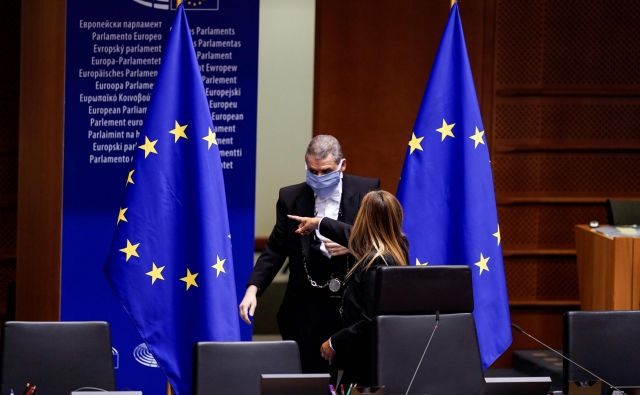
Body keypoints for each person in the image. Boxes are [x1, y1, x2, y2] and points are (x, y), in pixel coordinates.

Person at [239, 135, 379, 373]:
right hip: (305, 305)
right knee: (308, 375)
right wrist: (253, 289)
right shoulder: (290, 197)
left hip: (350, 302)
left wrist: (353, 244)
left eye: (326, 171)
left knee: (348, 375)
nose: (319, 178)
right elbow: (275, 249)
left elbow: (381, 242)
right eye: (313, 171)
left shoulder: (367, 190)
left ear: (342, 165)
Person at [289, 190, 409, 386]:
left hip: (365, 362)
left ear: (363, 219)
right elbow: (354, 235)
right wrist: (319, 222)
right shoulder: (399, 247)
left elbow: (371, 320)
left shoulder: (376, 264)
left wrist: (335, 342)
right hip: (385, 354)